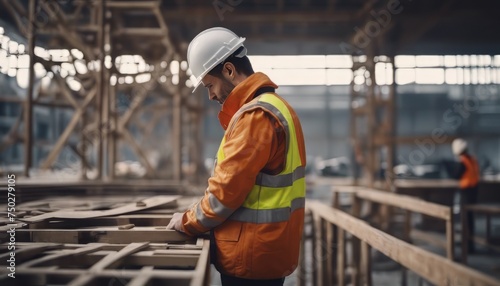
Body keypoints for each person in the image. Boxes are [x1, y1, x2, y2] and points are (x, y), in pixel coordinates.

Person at [167, 27, 306, 286]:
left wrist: (187, 221)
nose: (210, 95)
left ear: (229, 70)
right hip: (267, 251)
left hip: (250, 256)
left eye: (210, 84)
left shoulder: (256, 117)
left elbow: (225, 193)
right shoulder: (278, 108)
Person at [452, 138, 480, 253]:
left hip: (466, 192)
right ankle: (470, 246)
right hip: (474, 191)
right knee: (470, 219)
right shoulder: (472, 159)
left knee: (465, 220)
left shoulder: (463, 161)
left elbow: (456, 175)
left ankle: (467, 247)